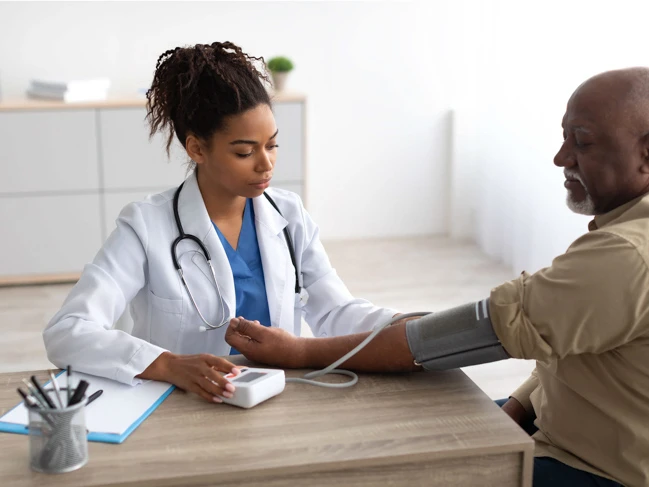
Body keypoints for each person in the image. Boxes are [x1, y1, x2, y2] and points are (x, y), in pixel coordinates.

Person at [224, 67, 649, 487]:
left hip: (594, 467)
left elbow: (471, 334)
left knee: (385, 463)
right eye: (245, 151)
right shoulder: (623, 237)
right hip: (564, 424)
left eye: (583, 142)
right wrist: (518, 407)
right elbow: (567, 346)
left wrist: (301, 352)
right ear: (195, 149)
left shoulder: (625, 256)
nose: (561, 157)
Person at [43, 41, 398, 404]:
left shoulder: (289, 216)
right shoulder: (146, 226)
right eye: (245, 152)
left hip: (277, 403)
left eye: (272, 145)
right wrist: (167, 364)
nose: (266, 164)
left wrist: (410, 326)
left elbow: (337, 311)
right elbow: (68, 331)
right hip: (180, 409)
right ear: (197, 149)